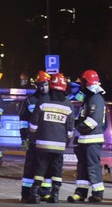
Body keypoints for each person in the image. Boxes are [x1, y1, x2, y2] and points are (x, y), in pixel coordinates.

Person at [27, 72, 76, 204]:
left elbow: (34, 123)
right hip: (59, 146)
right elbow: (70, 129)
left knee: (40, 169)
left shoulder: (43, 101)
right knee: (57, 171)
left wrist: (32, 138)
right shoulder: (68, 104)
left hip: (42, 144)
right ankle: (55, 195)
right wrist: (67, 143)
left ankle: (35, 194)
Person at [68, 69, 106, 203]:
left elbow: (92, 122)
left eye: (83, 83)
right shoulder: (89, 99)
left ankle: (97, 193)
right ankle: (81, 192)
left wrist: (77, 126)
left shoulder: (96, 99)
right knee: (82, 167)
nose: (81, 86)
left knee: (92, 166)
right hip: (85, 139)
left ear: (87, 83)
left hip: (92, 140)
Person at [19, 71, 52, 203]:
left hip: (47, 140)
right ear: (36, 86)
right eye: (41, 85)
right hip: (33, 140)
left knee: (47, 167)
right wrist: (24, 138)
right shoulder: (29, 101)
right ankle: (26, 193)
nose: (43, 87)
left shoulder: (52, 100)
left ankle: (44, 192)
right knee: (30, 168)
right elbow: (23, 121)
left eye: (45, 84)